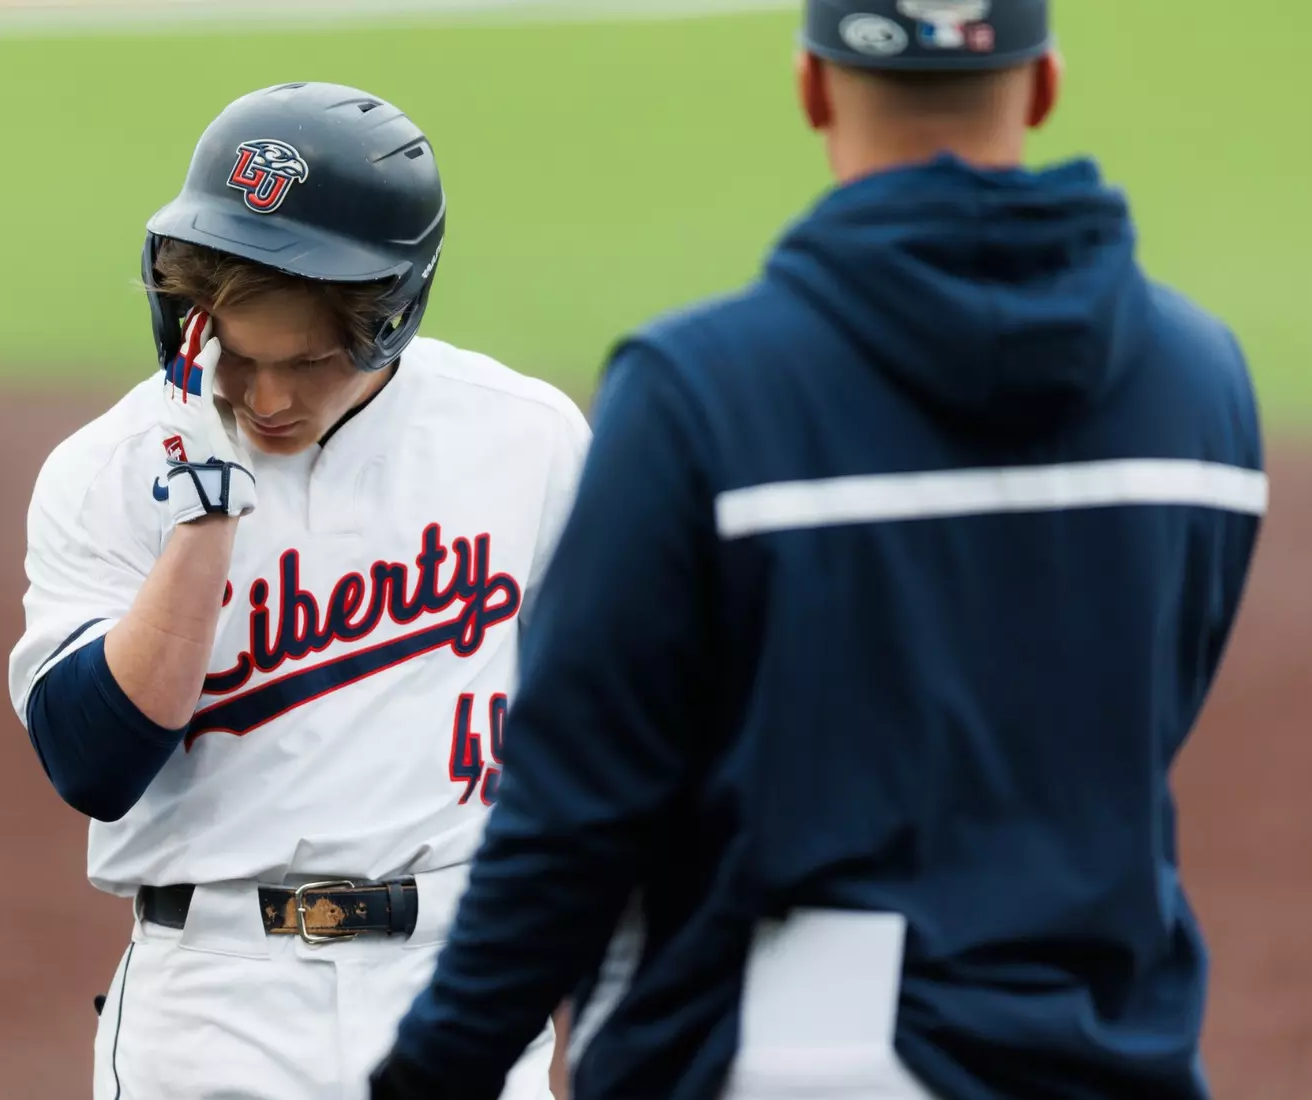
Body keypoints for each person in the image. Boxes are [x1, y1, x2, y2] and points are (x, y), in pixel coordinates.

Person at [369, 1, 1266, 1098]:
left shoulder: (701, 393)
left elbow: (574, 815)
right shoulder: (1201, 385)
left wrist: (432, 1071)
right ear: (1042, 85)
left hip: (798, 1054)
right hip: (1114, 1054)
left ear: (810, 85)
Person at [5, 82, 589, 1100]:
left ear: (387, 317)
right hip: (210, 997)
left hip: (454, 978)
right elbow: (93, 760)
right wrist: (202, 514)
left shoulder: (525, 440)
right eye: (237, 355)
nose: (267, 399)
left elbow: (610, 729)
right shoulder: (111, 467)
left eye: (308, 361)